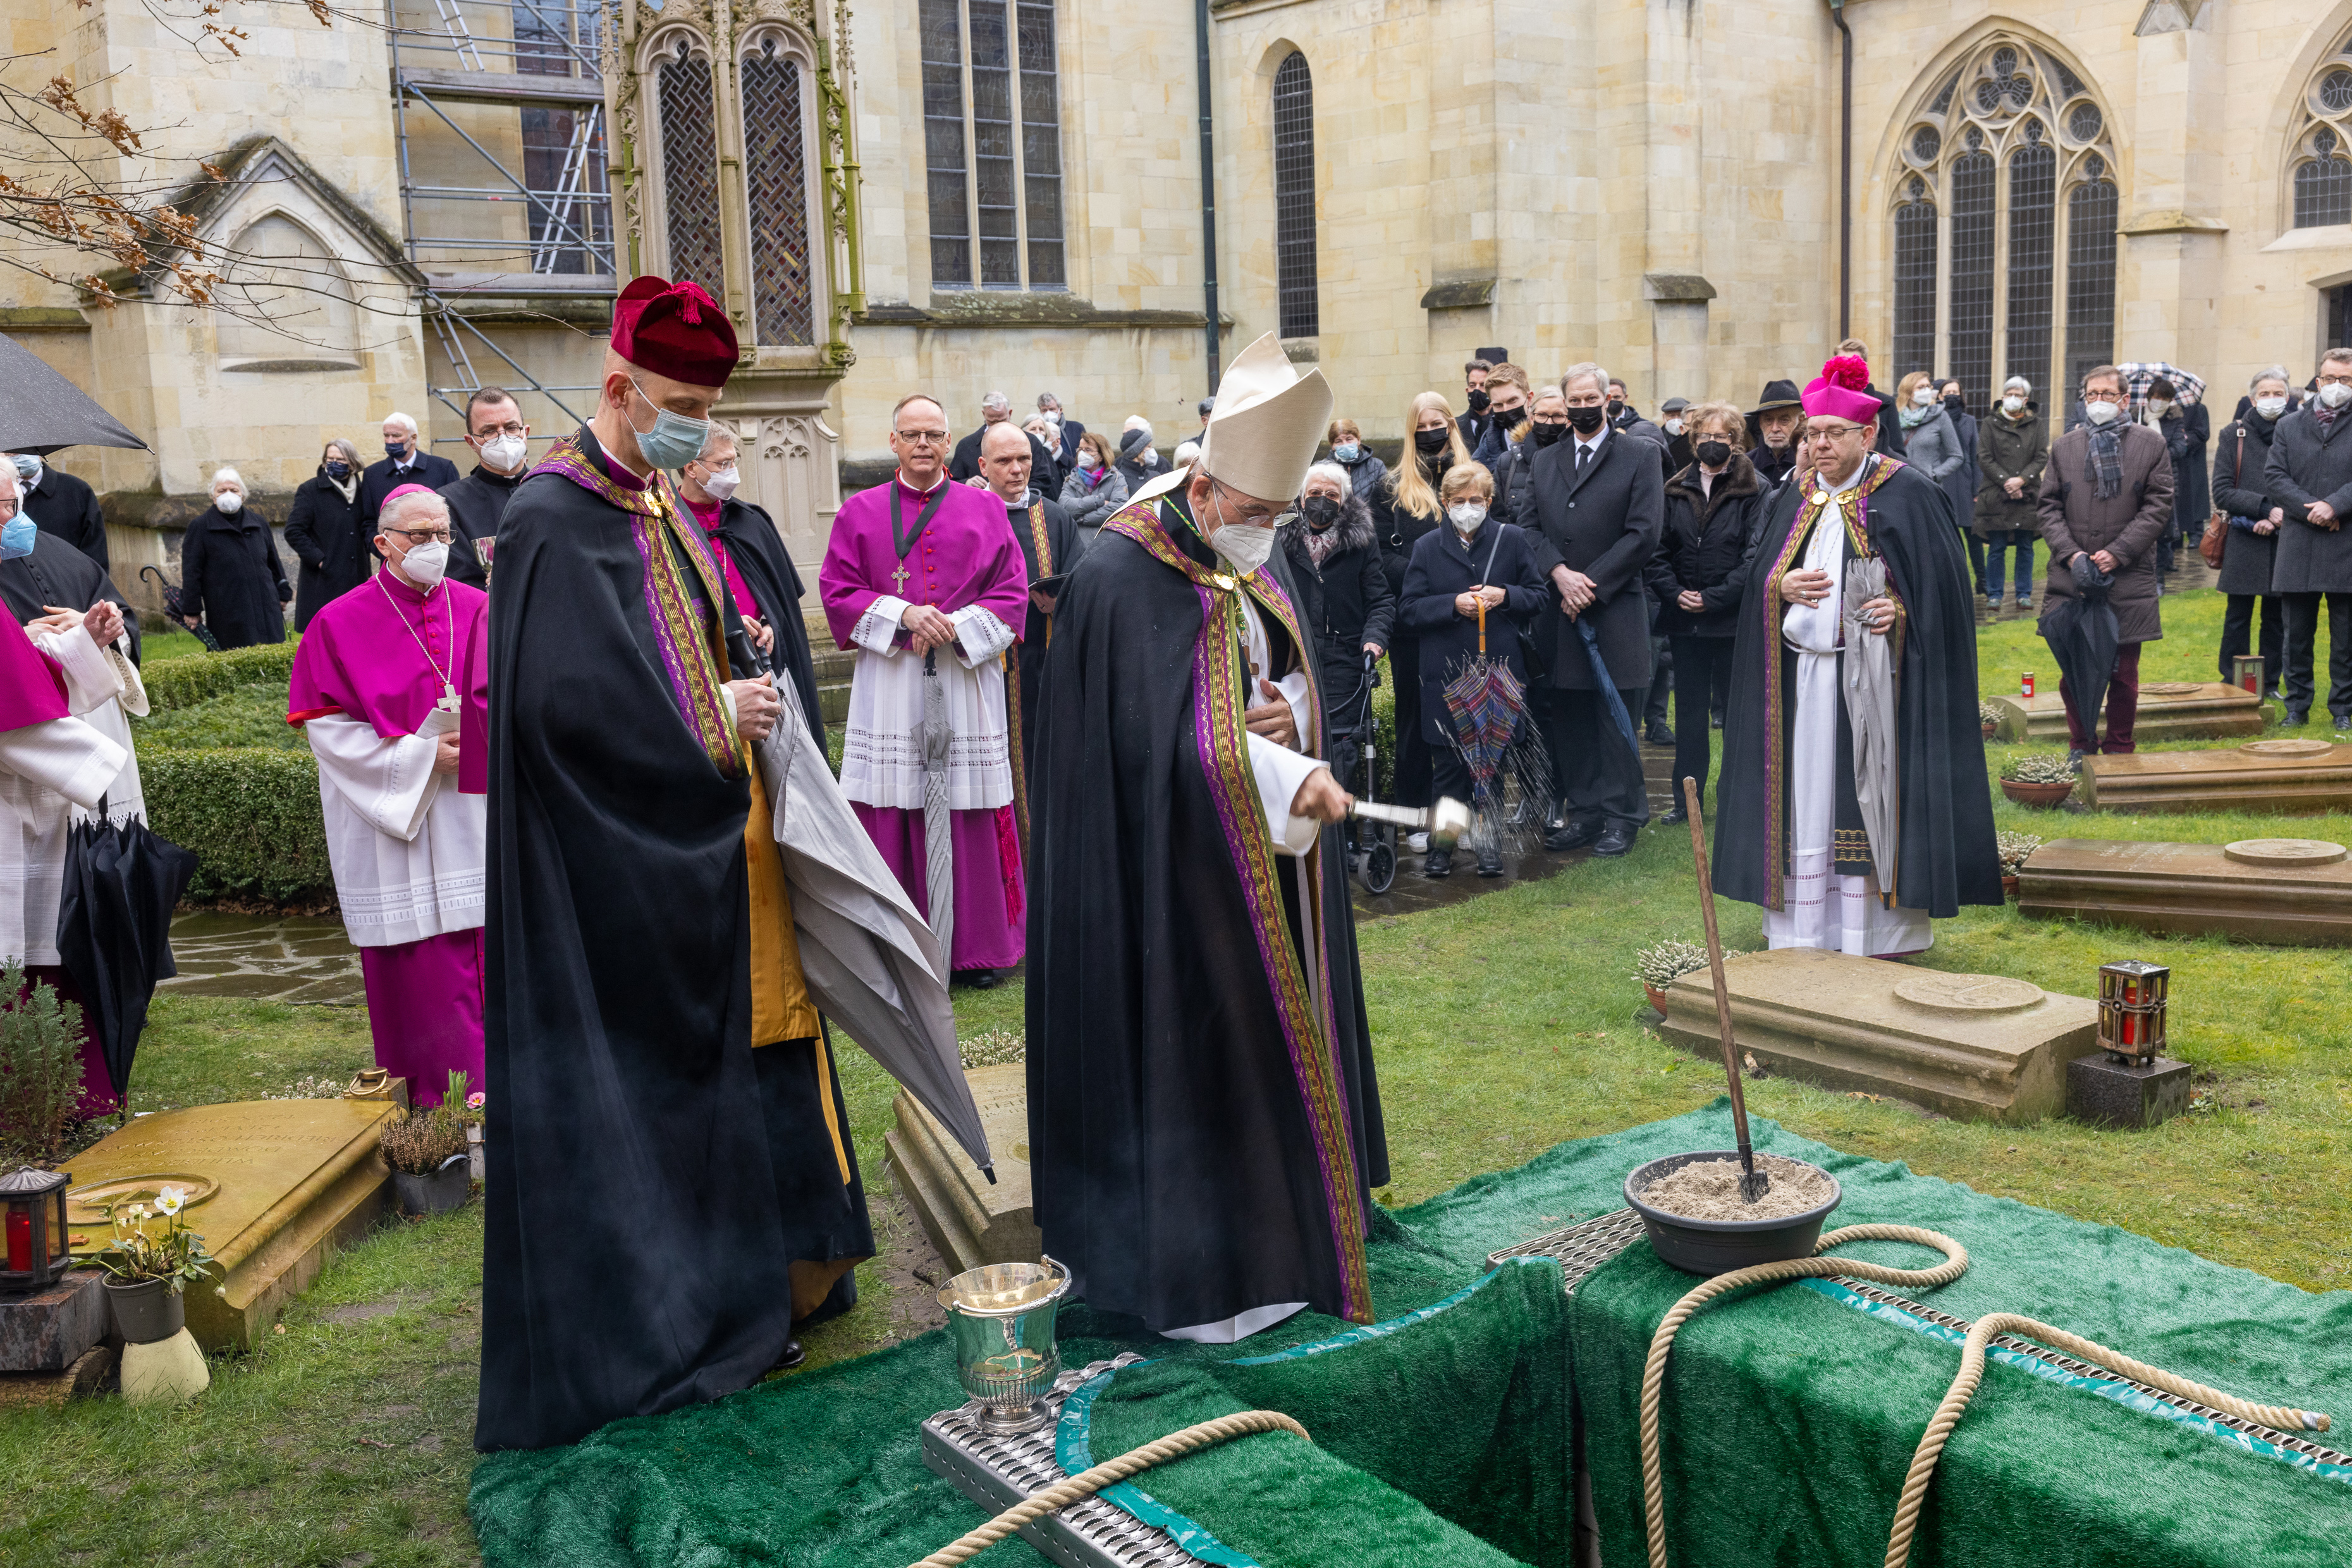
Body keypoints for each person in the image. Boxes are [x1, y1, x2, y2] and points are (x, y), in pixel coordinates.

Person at [479, 274, 872, 1452]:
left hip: (707, 849)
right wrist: (716, 716)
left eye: (708, 405)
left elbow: (679, 644)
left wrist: (733, 667)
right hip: (618, 876)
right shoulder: (550, 517)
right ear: (619, 388)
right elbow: (564, 711)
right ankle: (674, 1316)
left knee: (750, 1058)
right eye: (682, 404)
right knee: (656, 1092)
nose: (699, 427)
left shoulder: (656, 503)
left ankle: (762, 1276)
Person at [1027, 330, 1386, 1342]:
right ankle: (1201, 1271)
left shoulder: (1254, 561)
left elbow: (1283, 679)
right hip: (1164, 886)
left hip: (1266, 868)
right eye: (1263, 512)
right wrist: (1277, 764)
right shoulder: (1118, 578)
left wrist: (1292, 719)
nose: (1272, 532)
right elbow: (1144, 751)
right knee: (1196, 1048)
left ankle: (1292, 1234)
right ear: (1211, 488)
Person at [1714, 354, 2000, 955]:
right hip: (1801, 683)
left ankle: (1873, 930)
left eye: (1831, 434)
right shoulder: (1795, 497)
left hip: (1876, 685)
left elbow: (1945, 594)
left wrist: (1901, 610)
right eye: (1811, 433)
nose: (1818, 445)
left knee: (1864, 794)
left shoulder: (1908, 493)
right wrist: (1778, 587)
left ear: (1866, 434)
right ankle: (1802, 930)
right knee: (1806, 798)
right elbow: (1761, 578)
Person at [287, 486, 487, 1108]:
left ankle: (502, 1100)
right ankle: (434, 1103)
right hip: (397, 817)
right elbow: (327, 729)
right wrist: (425, 756)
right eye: (418, 537)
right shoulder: (337, 621)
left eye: (442, 535)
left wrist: (479, 748)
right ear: (383, 544)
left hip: (473, 812)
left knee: (489, 956)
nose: (433, 548)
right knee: (422, 972)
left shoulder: (481, 608)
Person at [821, 393, 1030, 984]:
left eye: (933, 435)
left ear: (949, 442)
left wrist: (953, 627)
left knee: (967, 802)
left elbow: (1012, 596)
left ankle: (976, 951)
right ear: (893, 442)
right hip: (891, 682)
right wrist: (904, 616)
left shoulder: (986, 511)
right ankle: (896, 946)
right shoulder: (857, 512)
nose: (922, 445)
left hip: (963, 680)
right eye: (911, 434)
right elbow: (836, 593)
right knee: (894, 799)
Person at [0, 524, 140, 1117]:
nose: (10, 520)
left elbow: (32, 681)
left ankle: (68, 1092)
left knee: (55, 934)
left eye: (12, 503)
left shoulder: (62, 554)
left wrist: (83, 639)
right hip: (25, 784)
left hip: (49, 795)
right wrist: (98, 763)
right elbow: (18, 708)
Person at [1520, 363, 1663, 858]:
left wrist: (1590, 584)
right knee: (1573, 718)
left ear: (1607, 400)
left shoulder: (1640, 455)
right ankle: (1584, 813)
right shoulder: (1544, 461)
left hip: (1615, 608)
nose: (1581, 408)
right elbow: (1529, 527)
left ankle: (1622, 816)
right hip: (1559, 612)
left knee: (1614, 716)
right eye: (1572, 401)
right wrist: (1559, 573)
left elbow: (1644, 532)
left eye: (1589, 399)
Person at [1398, 463, 1546, 877]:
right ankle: (1441, 850)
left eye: (1475, 501)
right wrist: (1450, 604)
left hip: (1498, 675)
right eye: (1459, 501)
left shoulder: (1511, 539)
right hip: (1445, 676)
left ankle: (1489, 846)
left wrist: (1505, 595)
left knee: (1492, 768)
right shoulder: (1427, 547)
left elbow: (1538, 596)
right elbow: (1407, 609)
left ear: (1489, 502)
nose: (1467, 508)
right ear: (1445, 504)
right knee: (1447, 770)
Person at [2037, 364, 2174, 759]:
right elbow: (2048, 507)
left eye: (2107, 395)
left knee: (2123, 674)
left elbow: (2158, 506)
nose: (2098, 402)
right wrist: (2071, 554)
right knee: (2072, 671)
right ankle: (2081, 743)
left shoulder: (2151, 444)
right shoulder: (2065, 447)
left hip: (2127, 578)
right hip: (2073, 577)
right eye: (2091, 395)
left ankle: (2119, 745)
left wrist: (2118, 553)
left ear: (2125, 400)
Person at [673, 421, 826, 756]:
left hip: (765, 665)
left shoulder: (751, 521)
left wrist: (772, 624)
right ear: (691, 467)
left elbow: (782, 600)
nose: (732, 472)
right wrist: (725, 625)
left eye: (734, 461)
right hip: (710, 677)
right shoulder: (667, 526)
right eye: (722, 464)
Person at [1653, 401, 1766, 826]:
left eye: (1722, 437)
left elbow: (1756, 557)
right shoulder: (1675, 488)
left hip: (1733, 622)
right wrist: (1676, 593)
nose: (1712, 444)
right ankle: (1687, 802)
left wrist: (1715, 598)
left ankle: (1739, 801)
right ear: (1692, 439)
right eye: (1704, 436)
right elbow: (1659, 551)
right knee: (1689, 718)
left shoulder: (1758, 489)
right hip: (1686, 623)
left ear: (1736, 442)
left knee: (1737, 717)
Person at [1373, 391, 1470, 819]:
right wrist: (1428, 572)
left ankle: (1462, 810)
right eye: (1422, 428)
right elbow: (1380, 554)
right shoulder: (1391, 487)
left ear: (1451, 425)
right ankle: (1414, 809)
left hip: (1465, 617)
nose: (1431, 434)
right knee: (1414, 717)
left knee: (1465, 717)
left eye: (1438, 425)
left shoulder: (1474, 479)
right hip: (1413, 620)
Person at [975, 421, 1081, 789]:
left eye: (1024, 459)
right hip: (983, 669)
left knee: (1046, 765)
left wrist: (1062, 600)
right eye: (1004, 461)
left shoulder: (1055, 517)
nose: (1017, 469)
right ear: (984, 466)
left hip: (1046, 663)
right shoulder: (966, 515)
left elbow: (1082, 581)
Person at [1283, 459, 1392, 795]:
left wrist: (1373, 641)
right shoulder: (1278, 540)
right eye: (1315, 492)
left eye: (1332, 494)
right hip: (1292, 658)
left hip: (1342, 658)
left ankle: (1339, 829)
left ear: (1344, 501)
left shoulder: (1361, 542)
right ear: (1301, 498)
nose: (1322, 500)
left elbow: (1380, 601)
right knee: (1294, 739)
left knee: (1341, 745)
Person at [2264, 347, 2352, 730]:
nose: (2337, 386)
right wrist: (2311, 510)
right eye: (2331, 378)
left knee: (2346, 639)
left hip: (2346, 542)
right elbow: (2274, 477)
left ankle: (2344, 710)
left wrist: (2334, 506)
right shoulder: (2289, 426)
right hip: (2300, 543)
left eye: (2346, 380)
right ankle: (2297, 706)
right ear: (2318, 381)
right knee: (2295, 635)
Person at [2212, 367, 2293, 697]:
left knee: (2277, 617)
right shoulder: (2235, 434)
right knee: (2238, 615)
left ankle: (2270, 682)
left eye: (2278, 393)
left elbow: (2304, 483)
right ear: (2251, 397)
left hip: (2285, 536)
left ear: (2288, 398)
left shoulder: (2298, 431)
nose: (2272, 400)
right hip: (2245, 537)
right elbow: (2222, 490)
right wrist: (2262, 509)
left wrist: (2279, 516)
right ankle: (2233, 679)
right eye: (2265, 393)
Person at [177, 467, 291, 648]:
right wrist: (192, 609)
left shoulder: (258, 523)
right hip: (228, 608)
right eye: (222, 491)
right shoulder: (200, 527)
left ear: (242, 496)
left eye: (234, 490)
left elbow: (273, 561)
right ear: (213, 497)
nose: (228, 495)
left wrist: (283, 590)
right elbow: (192, 572)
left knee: (272, 654)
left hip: (266, 604)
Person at [436, 387, 533, 590]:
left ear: (526, 432)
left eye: (512, 427)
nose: (503, 438)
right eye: (489, 432)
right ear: (471, 442)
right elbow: (457, 581)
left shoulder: (557, 490)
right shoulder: (448, 503)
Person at [1893, 372, 1971, 596]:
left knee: (1928, 547)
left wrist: (1934, 475)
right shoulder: (1894, 417)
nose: (1928, 390)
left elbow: (1957, 456)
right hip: (1897, 490)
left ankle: (1932, 593)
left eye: (1929, 386)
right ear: (1909, 392)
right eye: (1921, 386)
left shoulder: (1940, 416)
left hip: (1929, 491)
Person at [1973, 377, 2046, 616]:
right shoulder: (1989, 423)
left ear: (2026, 400)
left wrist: (2021, 480)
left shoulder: (2036, 424)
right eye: (2008, 394)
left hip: (2027, 493)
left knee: (2026, 546)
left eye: (2018, 394)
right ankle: (1995, 595)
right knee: (1996, 547)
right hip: (1996, 493)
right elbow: (1984, 457)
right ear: (2003, 397)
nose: (2012, 398)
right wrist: (2006, 481)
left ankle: (2024, 595)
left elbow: (2041, 456)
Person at [285, 439, 369, 630]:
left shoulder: (363, 490)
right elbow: (294, 531)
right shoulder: (310, 490)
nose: (334, 463)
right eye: (329, 459)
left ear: (352, 462)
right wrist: (320, 560)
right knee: (327, 632)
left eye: (340, 459)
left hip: (357, 575)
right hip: (323, 579)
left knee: (357, 630)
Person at [2144, 378, 2211, 577]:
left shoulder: (2176, 418)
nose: (2160, 402)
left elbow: (2181, 447)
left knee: (2167, 519)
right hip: (2143, 476)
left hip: (2169, 474)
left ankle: (2166, 560)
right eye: (2157, 398)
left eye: (2165, 398)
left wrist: (2158, 450)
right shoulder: (2138, 416)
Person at [360, 412, 461, 531]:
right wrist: (380, 548)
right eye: (386, 435)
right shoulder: (373, 474)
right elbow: (369, 522)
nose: (390, 441)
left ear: (413, 438)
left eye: (396, 436)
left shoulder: (443, 468)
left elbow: (456, 515)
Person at [1488, 384, 1570, 529]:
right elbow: (1496, 516)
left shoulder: (1578, 460)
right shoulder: (1508, 462)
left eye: (1558, 416)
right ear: (1532, 418)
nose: (1549, 422)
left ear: (1568, 420)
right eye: (1542, 415)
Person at [8, 453, 107, 569]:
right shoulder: (4, 495)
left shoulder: (77, 491)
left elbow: (96, 557)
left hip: (70, 581)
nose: (23, 454)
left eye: (28, 448)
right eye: (15, 452)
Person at [948, 390, 1055, 484]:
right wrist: (966, 483)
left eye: (1001, 421)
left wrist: (1019, 497)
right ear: (984, 414)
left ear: (1010, 413)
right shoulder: (966, 446)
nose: (996, 426)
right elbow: (952, 483)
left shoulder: (1030, 442)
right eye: (991, 421)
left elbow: (1042, 479)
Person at [1938, 379, 1982, 587]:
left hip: (1965, 483)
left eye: (1956, 392)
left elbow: (1975, 456)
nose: (1952, 395)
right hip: (1944, 481)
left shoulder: (1970, 421)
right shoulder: (1936, 420)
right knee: (1951, 536)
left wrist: (1977, 488)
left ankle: (1982, 581)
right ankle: (1960, 581)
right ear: (1940, 396)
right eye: (1948, 392)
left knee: (1972, 535)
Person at [1834, 338, 1908, 458]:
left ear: (1865, 365)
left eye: (1853, 362)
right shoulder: (1829, 401)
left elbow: (1897, 451)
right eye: (1842, 362)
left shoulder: (1885, 402)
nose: (1847, 368)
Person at [1058, 429, 1129, 539]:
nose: (1082, 453)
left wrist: (1083, 519)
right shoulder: (1072, 478)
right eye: (1080, 449)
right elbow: (1064, 506)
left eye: (1088, 450)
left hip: (1106, 540)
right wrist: (1098, 501)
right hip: (1078, 541)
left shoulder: (1115, 477)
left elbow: (1119, 508)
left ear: (1101, 455)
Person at [1467, 364, 1531, 468]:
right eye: (1498, 405)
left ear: (1529, 398)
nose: (1506, 410)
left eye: (1512, 400)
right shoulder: (1482, 456)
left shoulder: (1549, 437)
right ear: (1492, 406)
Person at [1748, 381, 1806, 486]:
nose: (1775, 429)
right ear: (1761, 423)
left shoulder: (1813, 462)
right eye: (1769, 420)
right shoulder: (1746, 465)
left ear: (1801, 421)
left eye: (1784, 420)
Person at [1326, 417, 1388, 502]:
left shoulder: (1376, 466)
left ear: (1358, 440)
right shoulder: (1323, 469)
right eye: (1339, 441)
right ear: (1333, 445)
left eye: (1349, 439)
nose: (1345, 445)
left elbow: (1386, 500)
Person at [1038, 391, 1086, 481]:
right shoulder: (1038, 432)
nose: (1048, 413)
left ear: (1060, 410)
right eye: (1044, 410)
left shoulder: (1076, 428)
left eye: (1052, 409)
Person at [1115, 419, 1168, 493]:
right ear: (1137, 451)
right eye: (1148, 447)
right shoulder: (1120, 479)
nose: (1151, 451)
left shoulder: (1155, 476)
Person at [1457, 358, 1496, 451]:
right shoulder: (1456, 426)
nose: (1477, 390)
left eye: (1483, 385)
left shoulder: (1503, 425)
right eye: (1472, 385)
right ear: (1467, 390)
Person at [1659, 396, 1694, 474]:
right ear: (1664, 417)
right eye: (1671, 416)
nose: (1676, 419)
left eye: (1680, 416)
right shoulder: (1658, 438)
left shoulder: (1695, 439)